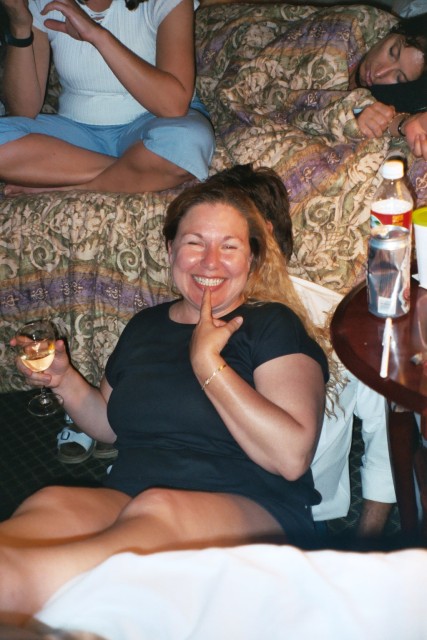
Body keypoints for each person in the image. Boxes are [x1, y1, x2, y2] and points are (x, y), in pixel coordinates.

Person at [1, 178, 329, 624]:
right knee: (53, 504)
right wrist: (64, 379)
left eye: (229, 246)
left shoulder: (271, 323)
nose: (210, 261)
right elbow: (110, 425)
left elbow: (290, 457)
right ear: (171, 249)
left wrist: (206, 362)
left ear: (251, 258)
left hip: (252, 505)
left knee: (157, 511)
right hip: (130, 494)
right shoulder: (145, 325)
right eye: (194, 243)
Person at [205, 164, 396, 538]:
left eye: (225, 238)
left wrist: (367, 543)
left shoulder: (337, 321)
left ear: (264, 235)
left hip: (295, 515)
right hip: (188, 498)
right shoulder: (188, 311)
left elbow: (384, 435)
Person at [0, 0, 215, 195]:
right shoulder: (42, 3)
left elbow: (173, 106)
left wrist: (97, 35)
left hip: (152, 123)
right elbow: (24, 110)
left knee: (186, 143)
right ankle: (143, 171)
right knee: (176, 158)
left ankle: (69, 184)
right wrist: (20, 25)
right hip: (76, 138)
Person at [348, 11, 427, 157]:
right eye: (392, 52)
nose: (380, 72)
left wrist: (404, 124)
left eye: (399, 78)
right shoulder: (357, 23)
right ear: (396, 30)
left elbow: (378, 114)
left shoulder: (389, 96)